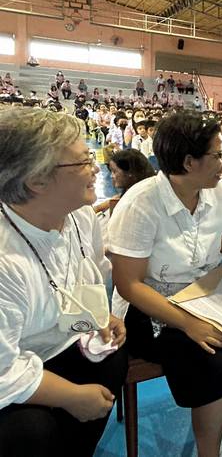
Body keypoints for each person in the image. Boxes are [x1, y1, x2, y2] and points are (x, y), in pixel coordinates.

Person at [108, 112, 222, 457]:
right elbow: (129, 285)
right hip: (151, 308)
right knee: (213, 355)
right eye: (217, 155)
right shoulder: (141, 203)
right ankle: (209, 452)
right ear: (189, 162)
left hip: (206, 293)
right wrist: (189, 325)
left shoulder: (216, 191)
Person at [0, 108, 127, 457]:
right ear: (37, 181)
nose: (96, 169)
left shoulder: (80, 215)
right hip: (13, 365)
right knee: (29, 432)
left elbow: (88, 276)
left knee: (112, 358)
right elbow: (2, 372)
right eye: (83, 162)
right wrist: (72, 396)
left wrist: (103, 316)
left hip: (59, 342)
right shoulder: (4, 259)